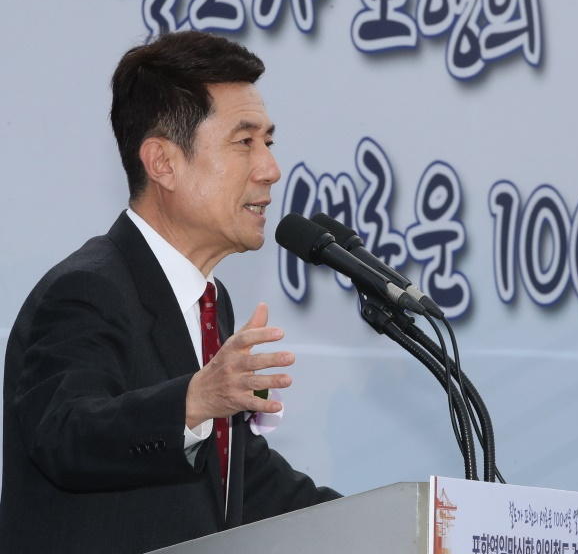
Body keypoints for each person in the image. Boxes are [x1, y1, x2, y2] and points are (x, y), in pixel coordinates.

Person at [0, 30, 340, 553]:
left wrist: (398, 523)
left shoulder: (209, 304)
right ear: (162, 163)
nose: (270, 169)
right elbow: (63, 434)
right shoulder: (87, 289)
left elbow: (238, 480)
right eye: (244, 142)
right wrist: (194, 400)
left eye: (268, 143)